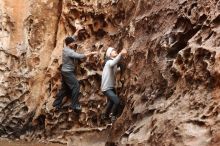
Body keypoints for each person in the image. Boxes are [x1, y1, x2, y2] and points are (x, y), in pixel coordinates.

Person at [53, 36, 97, 112]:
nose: (74, 44)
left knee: (65, 89)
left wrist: (76, 33)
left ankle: (56, 104)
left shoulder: (66, 48)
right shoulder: (69, 51)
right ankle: (75, 105)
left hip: (65, 71)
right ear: (69, 43)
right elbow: (78, 56)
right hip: (68, 72)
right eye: (72, 43)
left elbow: (70, 38)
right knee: (76, 86)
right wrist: (91, 53)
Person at [101, 47, 127, 122]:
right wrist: (121, 53)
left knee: (111, 102)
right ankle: (112, 115)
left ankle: (104, 115)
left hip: (111, 87)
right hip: (106, 88)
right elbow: (113, 63)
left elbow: (117, 67)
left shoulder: (114, 63)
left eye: (115, 50)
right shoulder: (108, 62)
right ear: (109, 54)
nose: (115, 51)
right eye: (113, 51)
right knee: (116, 101)